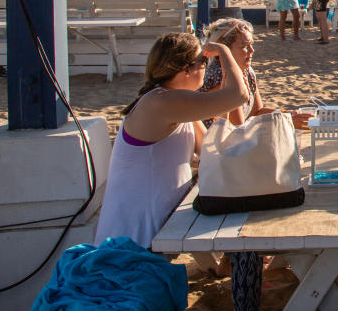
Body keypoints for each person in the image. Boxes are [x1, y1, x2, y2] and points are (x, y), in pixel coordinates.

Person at [94, 32, 248, 250]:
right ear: (185, 69)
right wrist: (223, 51)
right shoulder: (160, 102)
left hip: (158, 228)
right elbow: (239, 96)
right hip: (133, 238)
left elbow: (210, 150)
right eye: (203, 61)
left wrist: (222, 103)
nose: (206, 65)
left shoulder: (174, 100)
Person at [195, 18, 274, 311]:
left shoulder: (248, 73)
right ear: (225, 48)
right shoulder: (217, 76)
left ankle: (231, 263)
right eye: (246, 45)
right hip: (219, 172)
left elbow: (255, 113)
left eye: (252, 43)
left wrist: (283, 115)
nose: (252, 50)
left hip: (239, 163)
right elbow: (236, 129)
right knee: (249, 234)